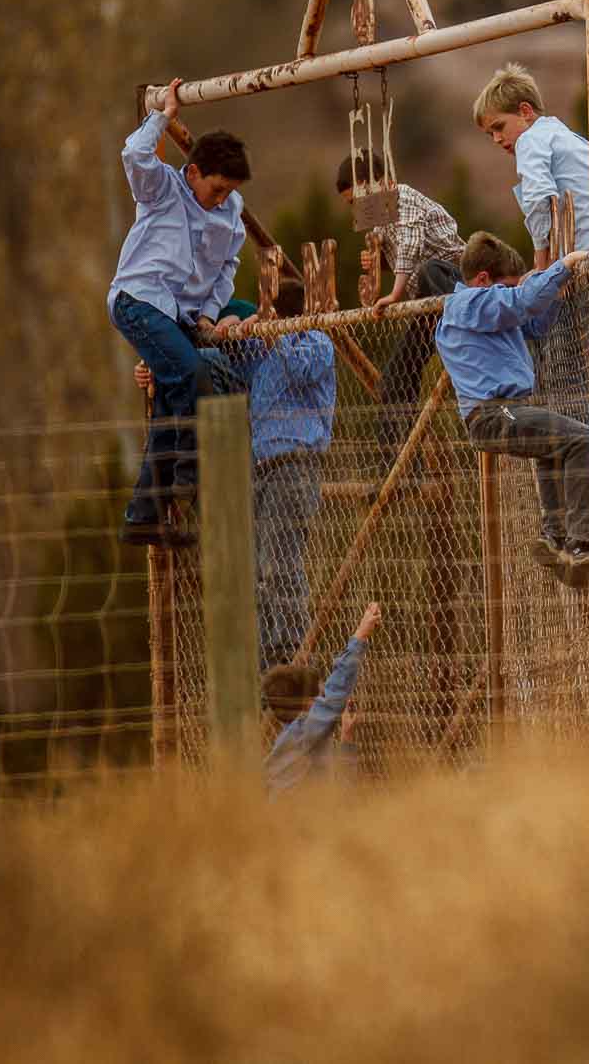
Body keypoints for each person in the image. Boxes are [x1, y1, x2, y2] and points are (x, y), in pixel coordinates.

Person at [110, 77, 249, 547]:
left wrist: (209, 312)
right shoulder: (162, 189)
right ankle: (189, 474)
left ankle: (144, 513)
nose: (222, 198)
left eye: (230, 190)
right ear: (193, 173)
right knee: (190, 374)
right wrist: (164, 116)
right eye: (216, 188)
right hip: (139, 299)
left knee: (173, 391)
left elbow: (227, 266)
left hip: (179, 317)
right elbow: (134, 156)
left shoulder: (230, 212)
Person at [471, 61, 589, 421]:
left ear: (525, 112)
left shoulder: (533, 139)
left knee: (563, 366)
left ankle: (577, 445)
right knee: (578, 358)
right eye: (489, 134)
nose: (497, 139)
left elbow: (539, 200)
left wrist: (541, 271)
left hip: (586, 260)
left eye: (499, 127)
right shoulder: (562, 135)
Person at [436, 232, 589, 586]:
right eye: (504, 287)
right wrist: (564, 266)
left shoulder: (488, 311)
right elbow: (522, 302)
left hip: (501, 411)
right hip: (494, 412)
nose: (509, 293)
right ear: (482, 280)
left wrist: (554, 295)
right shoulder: (469, 305)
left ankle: (554, 540)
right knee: (582, 440)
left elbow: (534, 323)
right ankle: (583, 543)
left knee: (555, 448)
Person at [218, 279, 336, 670]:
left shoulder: (317, 341)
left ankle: (291, 653)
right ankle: (268, 659)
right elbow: (227, 352)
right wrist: (234, 323)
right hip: (261, 465)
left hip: (295, 463)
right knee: (257, 569)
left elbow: (303, 369)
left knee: (281, 562)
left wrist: (275, 337)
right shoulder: (262, 349)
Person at [337, 151, 466, 450]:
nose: (356, 208)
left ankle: (463, 338)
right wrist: (378, 261)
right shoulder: (381, 219)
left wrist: (394, 295)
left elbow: (410, 246)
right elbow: (401, 260)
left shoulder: (402, 197)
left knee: (430, 271)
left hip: (452, 286)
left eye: (356, 200)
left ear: (378, 183)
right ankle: (399, 462)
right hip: (426, 300)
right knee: (396, 376)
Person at [262, 602, 378, 795]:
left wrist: (347, 739)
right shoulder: (302, 732)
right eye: (320, 695)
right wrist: (360, 635)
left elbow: (339, 799)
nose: (324, 697)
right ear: (309, 704)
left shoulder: (297, 744)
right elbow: (337, 691)